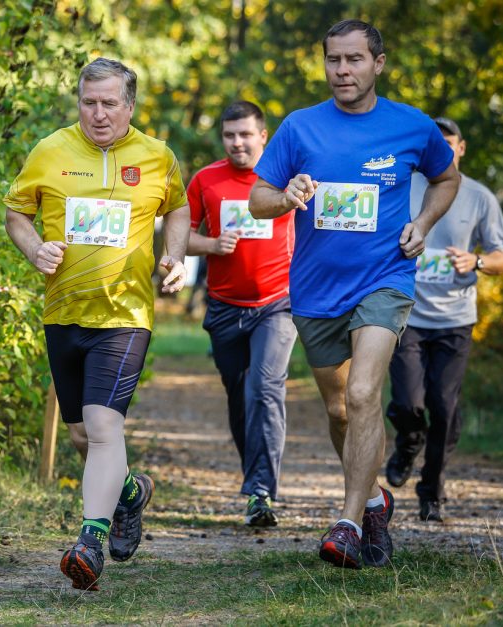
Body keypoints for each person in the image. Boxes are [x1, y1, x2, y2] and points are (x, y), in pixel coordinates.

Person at [248, 20, 461, 569]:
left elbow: (447, 177)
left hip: (385, 278)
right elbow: (258, 199)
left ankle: (345, 523)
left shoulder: (410, 126)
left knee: (366, 393)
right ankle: (373, 504)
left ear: (378, 64)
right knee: (341, 410)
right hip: (317, 287)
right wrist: (286, 194)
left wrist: (424, 222)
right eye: (334, 61)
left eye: (355, 60)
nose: (343, 71)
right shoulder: (299, 128)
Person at [4, 57, 190, 590]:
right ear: (79, 102)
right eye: (90, 102)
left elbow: (178, 209)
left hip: (126, 314)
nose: (99, 113)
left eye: (110, 103)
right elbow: (17, 212)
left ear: (130, 105)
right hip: (64, 311)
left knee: (105, 427)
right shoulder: (51, 149)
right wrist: (35, 248)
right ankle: (130, 492)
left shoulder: (157, 157)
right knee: (83, 434)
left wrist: (175, 256)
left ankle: (89, 541)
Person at [385, 117, 503, 522]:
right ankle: (408, 441)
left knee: (444, 405)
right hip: (407, 312)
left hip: (455, 319)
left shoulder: (479, 196)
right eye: (433, 143)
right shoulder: (406, 187)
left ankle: (431, 491)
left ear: (461, 147)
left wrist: (474, 260)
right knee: (408, 402)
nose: (440, 148)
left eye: (448, 142)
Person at [186, 101, 296, 527]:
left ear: (263, 136)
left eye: (246, 134)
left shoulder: (283, 179)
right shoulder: (206, 180)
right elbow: (180, 239)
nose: (237, 142)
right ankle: (255, 478)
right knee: (240, 398)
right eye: (230, 134)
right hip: (225, 308)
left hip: (277, 304)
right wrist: (213, 245)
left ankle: (261, 493)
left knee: (265, 388)